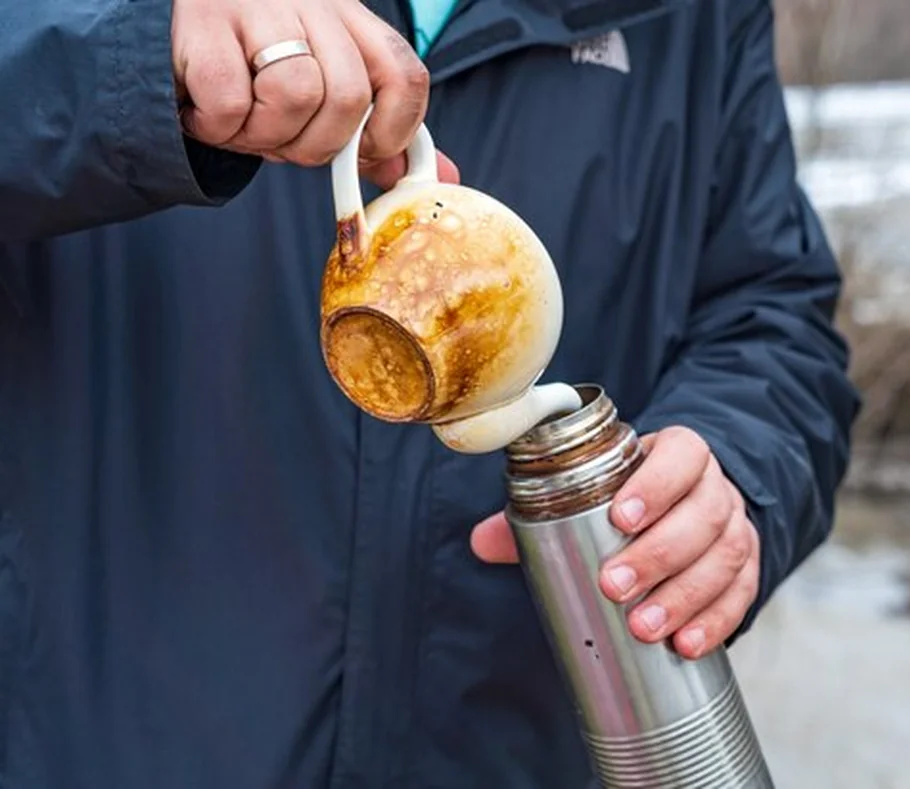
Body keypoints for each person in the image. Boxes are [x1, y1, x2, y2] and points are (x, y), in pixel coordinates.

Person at [0, 0, 859, 785]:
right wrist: (127, 63)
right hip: (100, 740)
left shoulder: (696, 18)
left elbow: (774, 319)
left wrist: (736, 474)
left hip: (522, 746)